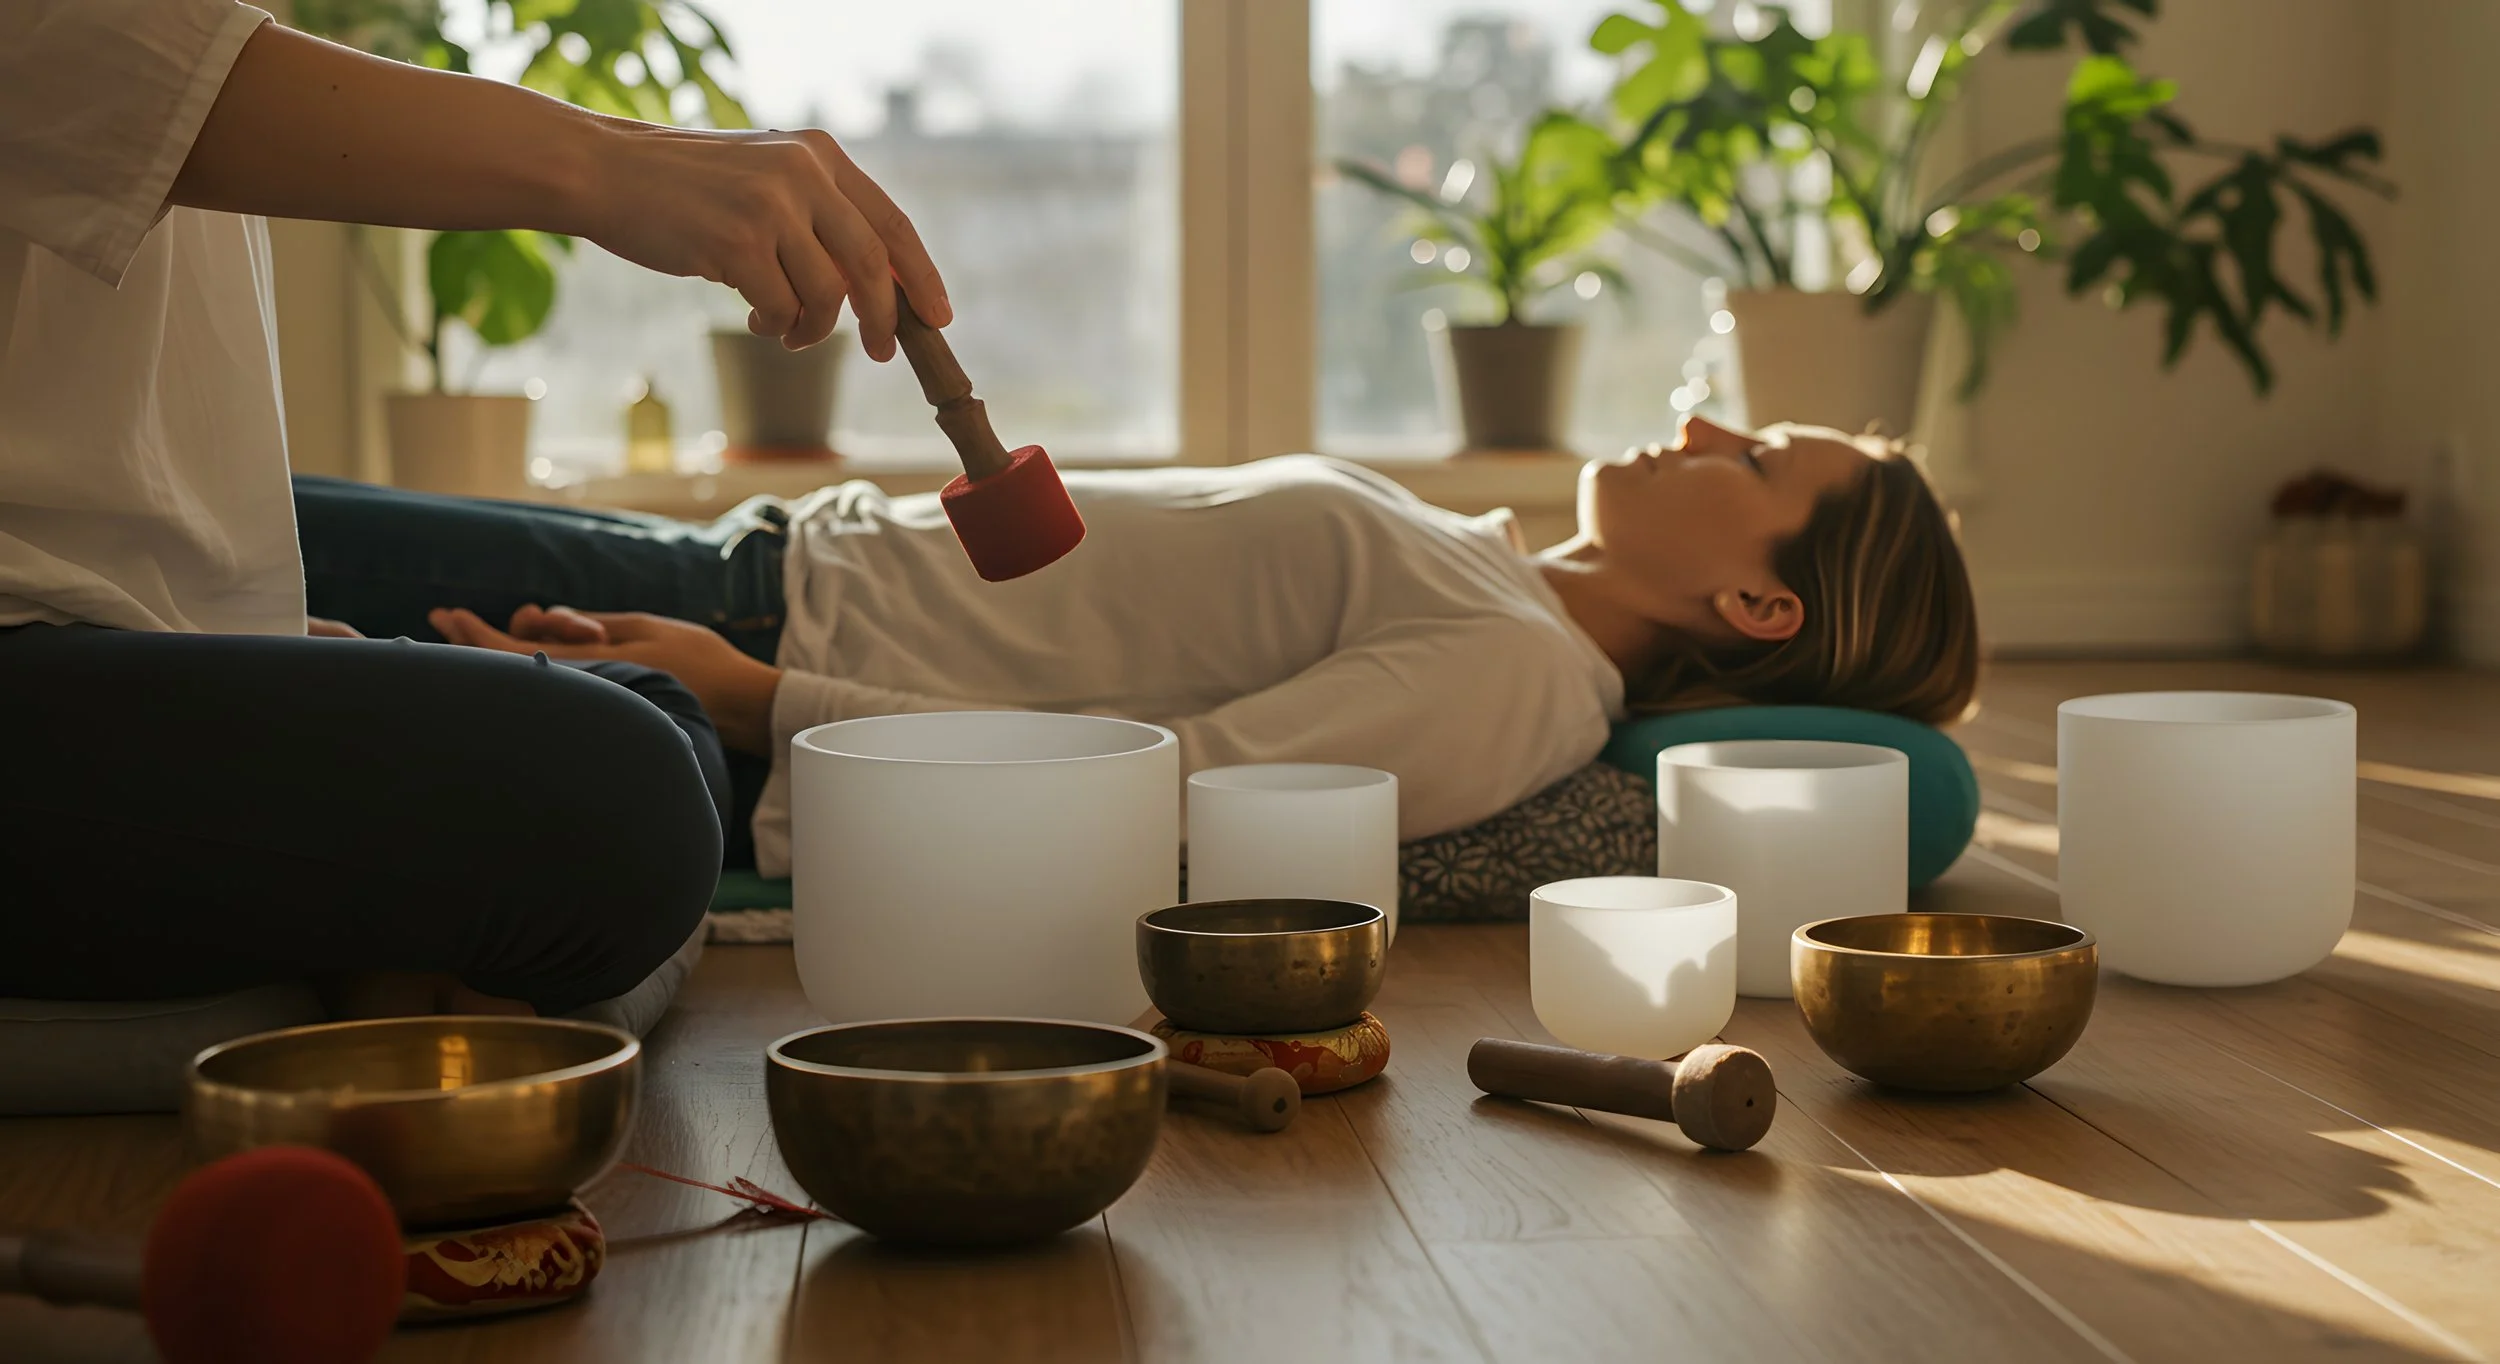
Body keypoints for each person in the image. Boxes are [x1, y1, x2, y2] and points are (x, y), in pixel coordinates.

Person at [0, 1, 950, 1016]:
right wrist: (616, 166)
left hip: (78, 570)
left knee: (652, 721)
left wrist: (234, 629)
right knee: (623, 802)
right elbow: (114, 67)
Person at [295, 414, 1982, 880]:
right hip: (762, 573)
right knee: (215, 529)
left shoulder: (1518, 683)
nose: (1701, 418)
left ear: (1765, 606)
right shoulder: (1490, 583)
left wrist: (745, 694)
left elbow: (1155, 794)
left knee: (179, 556)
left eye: (1755, 457)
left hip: (755, 639)